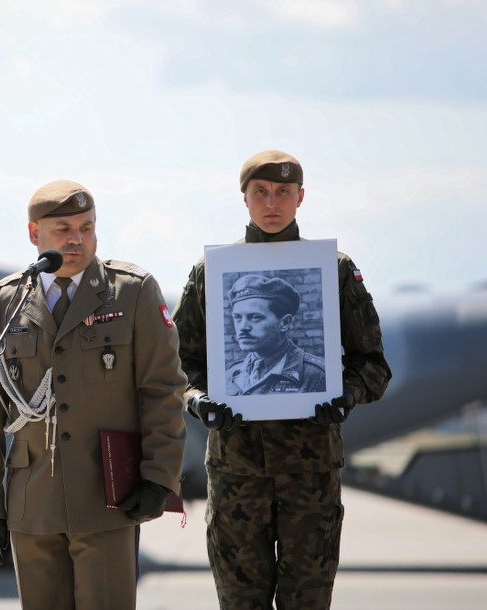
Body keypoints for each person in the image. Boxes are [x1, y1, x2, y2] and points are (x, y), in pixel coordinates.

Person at [172, 150, 392, 609]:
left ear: (300, 198)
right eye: (261, 193)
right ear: (245, 199)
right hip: (236, 471)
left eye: (283, 193)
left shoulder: (334, 270)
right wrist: (198, 400)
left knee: (307, 602)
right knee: (240, 602)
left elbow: (373, 364)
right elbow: (178, 365)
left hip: (310, 471)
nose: (272, 203)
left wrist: (347, 393)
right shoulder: (210, 273)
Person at [0, 179, 187, 609]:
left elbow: (163, 390)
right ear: (35, 235)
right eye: (63, 229)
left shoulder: (132, 291)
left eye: (86, 228)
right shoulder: (2, 303)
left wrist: (159, 477)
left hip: (108, 499)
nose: (77, 240)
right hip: (33, 504)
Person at [225, 273, 326, 395]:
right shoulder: (231, 374)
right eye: (237, 317)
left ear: (285, 323)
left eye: (255, 317)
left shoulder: (317, 375)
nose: (243, 327)